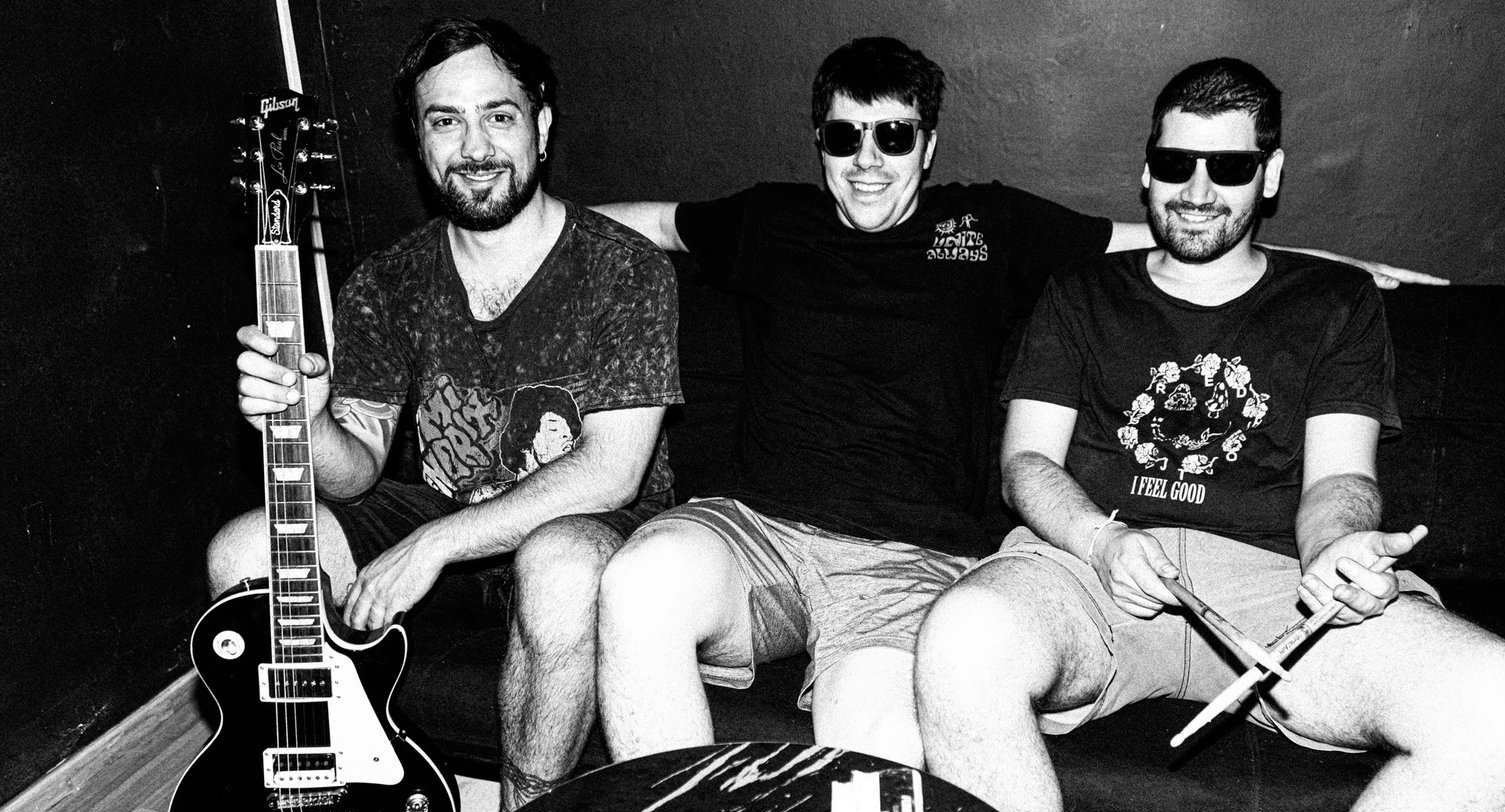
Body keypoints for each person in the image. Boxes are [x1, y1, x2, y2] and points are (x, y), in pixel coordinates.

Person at [590, 37, 1443, 771]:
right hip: (755, 530)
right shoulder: (768, 220)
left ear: (927, 144)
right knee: (635, 583)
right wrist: (526, 225)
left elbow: (1168, 231)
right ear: (820, 142)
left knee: (874, 754)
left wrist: (1325, 264)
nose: (868, 160)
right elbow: (650, 223)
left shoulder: (988, 226)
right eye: (845, 136)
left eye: (894, 135)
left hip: (909, 561)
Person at [913, 57, 1505, 812]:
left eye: (1229, 166)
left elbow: (1339, 479)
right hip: (1092, 569)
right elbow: (1025, 463)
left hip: (1279, 592)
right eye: (1176, 162)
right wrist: (1100, 540)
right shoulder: (1080, 291)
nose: (1197, 189)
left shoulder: (1335, 300)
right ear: (1147, 169)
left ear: (1271, 173)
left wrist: (1336, 549)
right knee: (961, 637)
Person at [206, 16, 682, 812]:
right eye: (445, 120)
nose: (475, 146)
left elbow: (612, 471)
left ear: (541, 126)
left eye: (499, 115)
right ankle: (340, 798)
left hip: (593, 530)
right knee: (244, 549)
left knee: (559, 564)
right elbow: (356, 465)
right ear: (419, 142)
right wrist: (308, 422)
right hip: (449, 524)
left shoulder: (623, 269)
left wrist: (433, 545)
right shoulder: (386, 282)